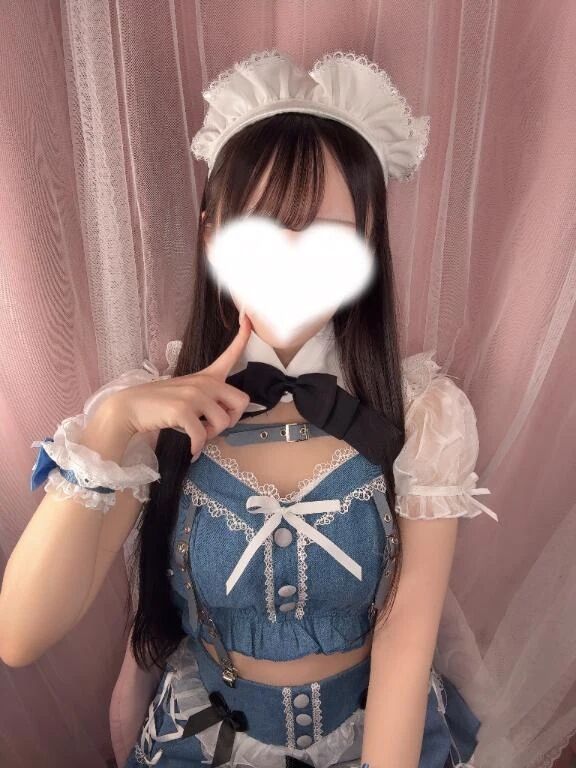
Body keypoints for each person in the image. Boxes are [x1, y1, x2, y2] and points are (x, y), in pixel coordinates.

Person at [3, 50, 498, 768]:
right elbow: (18, 637)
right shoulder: (149, 412)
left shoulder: (423, 414)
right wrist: (113, 424)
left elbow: (405, 641)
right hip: (205, 740)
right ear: (212, 233)